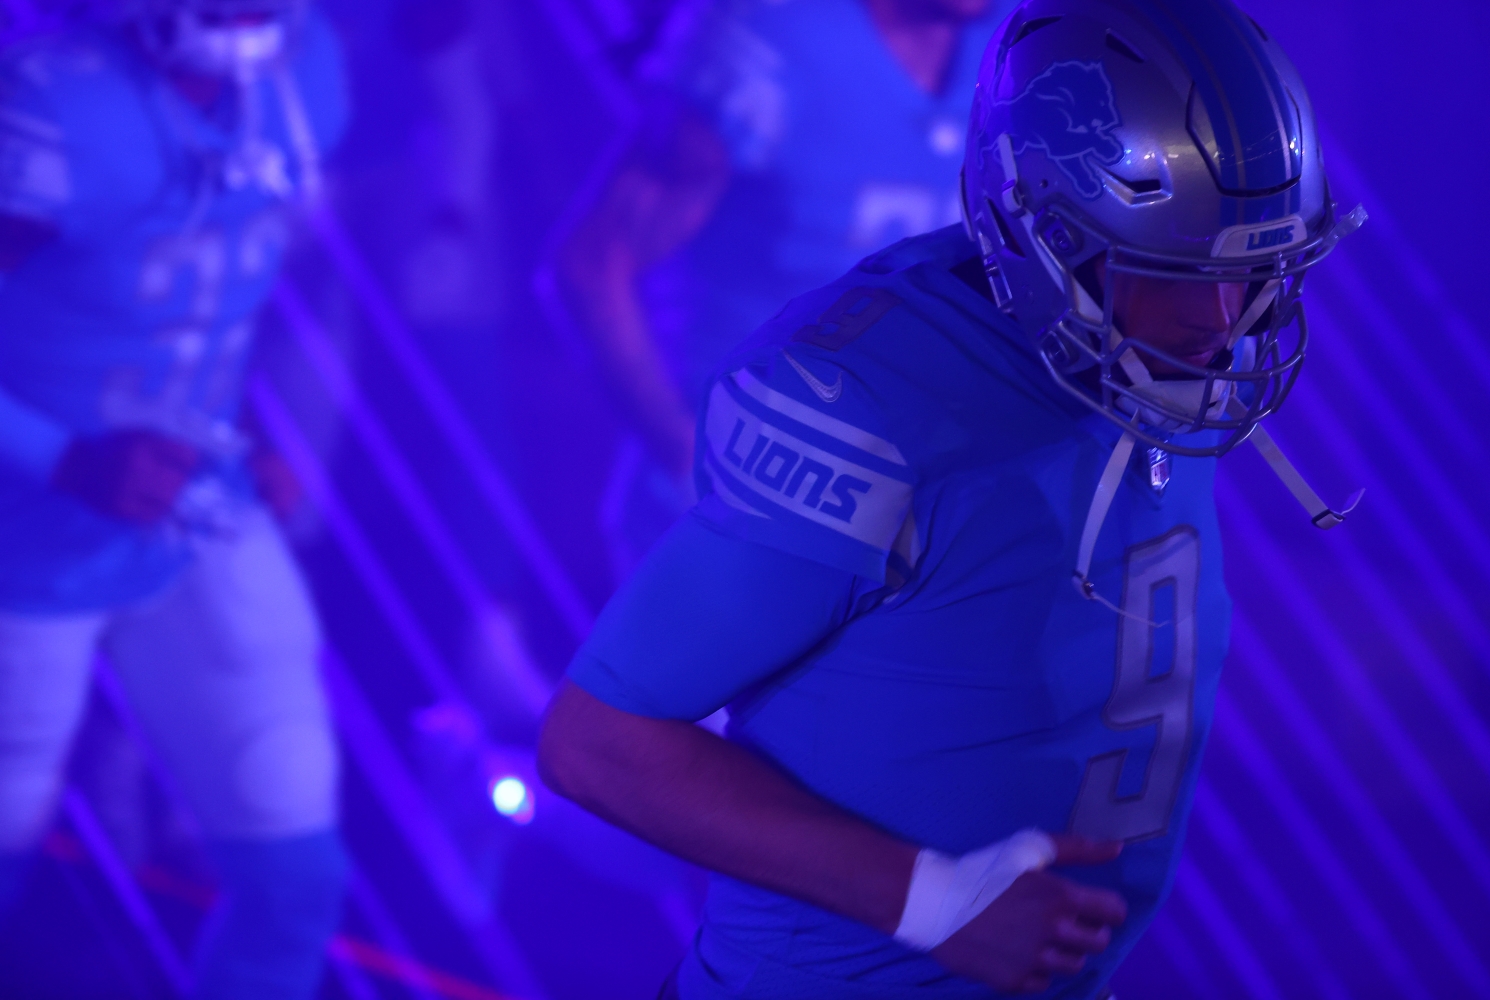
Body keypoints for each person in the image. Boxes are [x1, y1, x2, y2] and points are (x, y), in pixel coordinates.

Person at [539, 0, 1366, 997]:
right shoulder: (877, 405)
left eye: (1256, 271)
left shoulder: (1150, 339)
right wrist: (933, 899)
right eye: (1182, 273)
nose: (1225, 325)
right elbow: (597, 740)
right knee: (659, 858)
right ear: (1049, 231)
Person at [0, 1, 349, 997]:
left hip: (197, 508)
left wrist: (254, 419)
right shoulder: (50, 99)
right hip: (21, 543)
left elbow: (224, 282)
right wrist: (61, 458)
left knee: (296, 881)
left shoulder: (306, 67)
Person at [554, 0, 1015, 581]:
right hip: (747, 531)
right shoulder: (772, 34)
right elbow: (594, 262)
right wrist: (682, 456)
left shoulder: (1019, 40)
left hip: (914, 530)